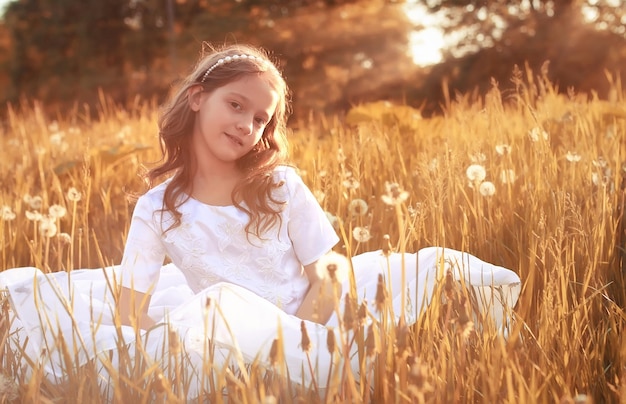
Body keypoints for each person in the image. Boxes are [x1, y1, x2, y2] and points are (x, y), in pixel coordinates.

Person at [1, 43, 522, 399]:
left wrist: (303, 336)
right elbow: (131, 309)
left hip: (310, 316)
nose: (247, 125)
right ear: (197, 98)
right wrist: (143, 354)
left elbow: (330, 271)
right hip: (222, 327)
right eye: (236, 104)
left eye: (260, 118)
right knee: (213, 310)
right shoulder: (156, 208)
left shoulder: (280, 186)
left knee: (420, 286)